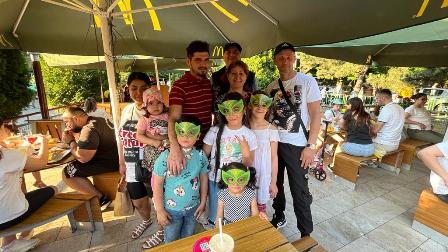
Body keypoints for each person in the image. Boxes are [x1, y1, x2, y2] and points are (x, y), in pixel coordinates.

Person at [265, 42, 321, 237]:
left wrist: (311, 146)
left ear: (294, 58)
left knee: (300, 191)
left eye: (289, 57)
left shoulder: (307, 81)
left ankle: (306, 234)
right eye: (281, 57)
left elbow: (315, 115)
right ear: (275, 61)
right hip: (274, 144)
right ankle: (279, 214)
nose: (285, 61)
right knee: (276, 184)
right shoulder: (271, 87)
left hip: (298, 146)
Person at [117, 72, 163, 249]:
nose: (138, 92)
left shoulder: (156, 110)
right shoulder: (127, 110)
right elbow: (121, 138)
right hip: (130, 162)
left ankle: (160, 231)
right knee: (138, 200)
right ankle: (146, 220)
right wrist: (121, 161)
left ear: (150, 88)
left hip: (152, 163)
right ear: (128, 89)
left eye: (143, 88)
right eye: (134, 88)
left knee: (158, 200)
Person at [0, 118, 57, 252]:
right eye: (3, 127)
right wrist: (43, 141)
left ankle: (11, 240)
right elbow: (41, 162)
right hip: (9, 218)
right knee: (53, 189)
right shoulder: (7, 156)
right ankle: (13, 242)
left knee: (13, 196)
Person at [203, 92, 257, 227]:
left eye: (236, 109)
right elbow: (203, 157)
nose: (232, 114)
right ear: (222, 112)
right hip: (216, 180)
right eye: (227, 110)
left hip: (239, 182)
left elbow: (249, 165)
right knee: (216, 216)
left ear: (244, 110)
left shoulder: (249, 135)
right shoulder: (214, 131)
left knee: (236, 215)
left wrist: (245, 152)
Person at [153, 115, 208, 243]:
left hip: (193, 209)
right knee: (171, 241)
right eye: (181, 132)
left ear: (198, 135)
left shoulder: (201, 156)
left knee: (188, 239)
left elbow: (204, 178)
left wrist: (203, 201)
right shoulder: (165, 157)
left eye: (191, 132)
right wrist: (160, 210)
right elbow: (157, 184)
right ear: (176, 132)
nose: (185, 136)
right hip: (171, 210)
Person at [168, 40, 213, 176]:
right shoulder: (179, 86)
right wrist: (175, 148)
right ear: (188, 62)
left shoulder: (208, 84)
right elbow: (173, 119)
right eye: (198, 60)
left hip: (207, 147)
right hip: (186, 148)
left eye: (206, 60)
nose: (203, 64)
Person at [61, 106, 118, 207]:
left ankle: (102, 200)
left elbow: (82, 158)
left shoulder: (89, 129)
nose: (66, 125)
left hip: (109, 162)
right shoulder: (97, 119)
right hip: (115, 156)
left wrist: (71, 141)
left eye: (66, 122)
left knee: (68, 172)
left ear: (76, 119)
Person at [248, 91, 279, 213]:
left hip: (263, 175)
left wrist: (273, 182)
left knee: (260, 210)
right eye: (256, 103)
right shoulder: (243, 126)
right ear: (250, 105)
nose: (260, 108)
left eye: (264, 104)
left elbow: (274, 157)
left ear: (268, 108)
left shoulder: (271, 130)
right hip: (245, 174)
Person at [136, 88, 169, 173]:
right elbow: (139, 135)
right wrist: (153, 142)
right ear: (145, 106)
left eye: (158, 103)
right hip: (152, 147)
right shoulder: (144, 119)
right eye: (151, 103)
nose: (155, 106)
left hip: (168, 145)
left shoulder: (168, 116)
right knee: (157, 170)